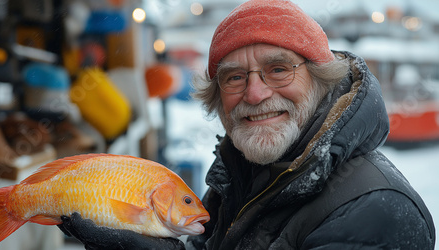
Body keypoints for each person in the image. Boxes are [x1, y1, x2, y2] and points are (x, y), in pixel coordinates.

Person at [58, 0, 436, 249]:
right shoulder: (240, 174)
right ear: (217, 100)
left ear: (322, 81)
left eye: (278, 69)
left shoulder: (376, 212)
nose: (254, 94)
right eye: (234, 78)